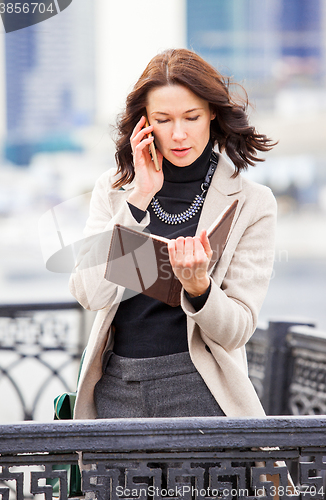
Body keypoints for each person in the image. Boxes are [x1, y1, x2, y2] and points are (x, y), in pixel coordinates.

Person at [69, 48, 277, 421]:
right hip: (117, 390)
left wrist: (199, 288)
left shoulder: (252, 203)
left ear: (212, 113)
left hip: (202, 389)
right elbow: (89, 293)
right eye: (163, 120)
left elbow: (236, 330)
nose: (178, 134)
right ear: (144, 123)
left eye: (191, 117)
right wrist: (139, 198)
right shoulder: (114, 190)